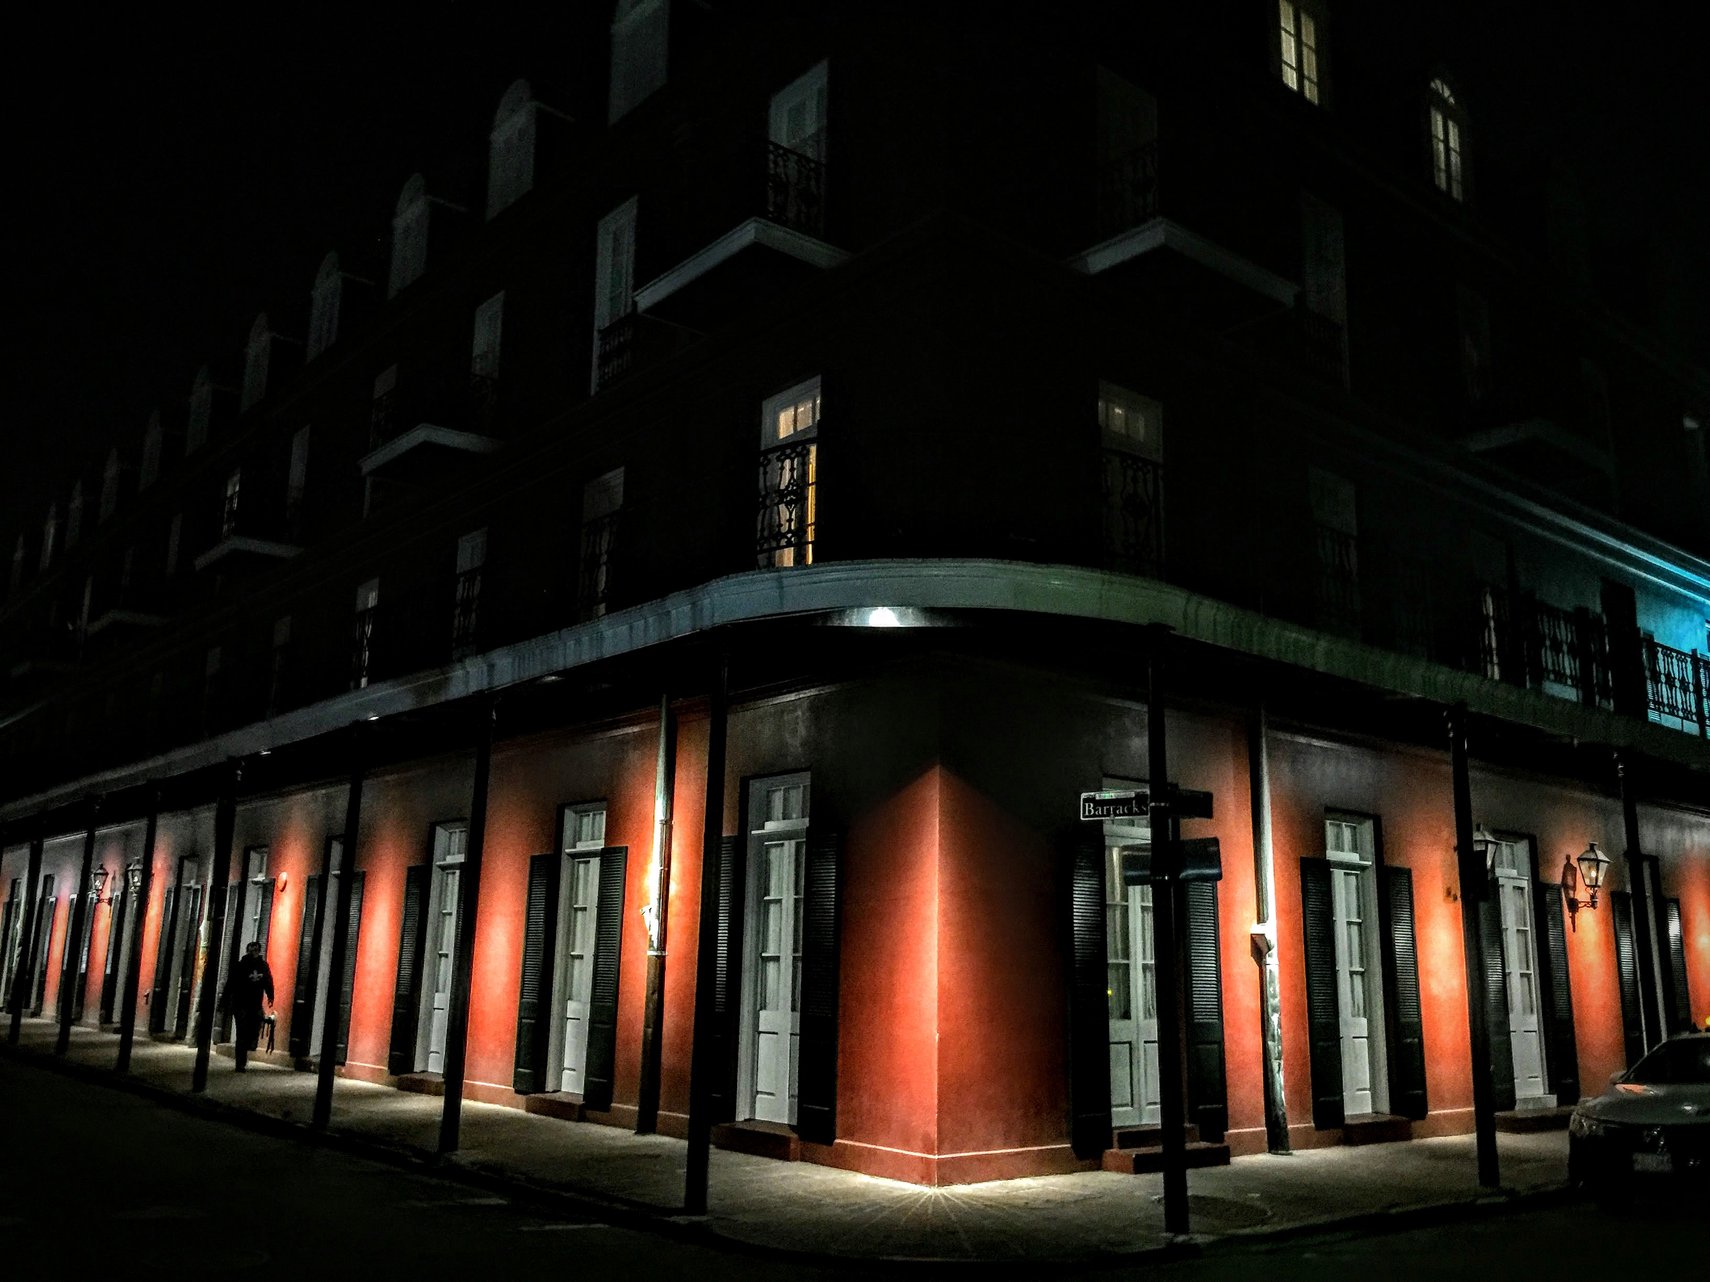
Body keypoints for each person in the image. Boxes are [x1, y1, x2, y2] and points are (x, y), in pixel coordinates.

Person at [222, 941, 275, 1071]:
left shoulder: (263, 966)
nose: (254, 952)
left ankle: (246, 1051)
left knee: (253, 1031)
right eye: (252, 950)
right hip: (240, 1005)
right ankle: (240, 1063)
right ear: (248, 951)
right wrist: (224, 1000)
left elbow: (268, 981)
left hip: (255, 1005)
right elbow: (230, 983)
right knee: (242, 1033)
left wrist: (270, 995)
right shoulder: (240, 966)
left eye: (256, 950)